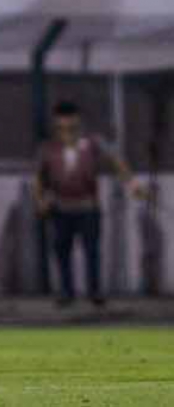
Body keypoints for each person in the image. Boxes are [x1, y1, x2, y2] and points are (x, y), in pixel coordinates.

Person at [33, 101, 145, 307]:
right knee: (62, 252)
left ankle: (94, 291)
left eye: (71, 126)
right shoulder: (48, 148)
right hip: (60, 208)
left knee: (92, 251)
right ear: (56, 124)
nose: (66, 131)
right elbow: (39, 177)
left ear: (77, 122)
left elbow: (115, 161)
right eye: (62, 126)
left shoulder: (92, 143)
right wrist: (40, 200)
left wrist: (132, 183)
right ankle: (66, 292)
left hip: (88, 207)